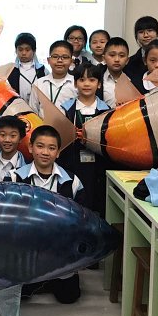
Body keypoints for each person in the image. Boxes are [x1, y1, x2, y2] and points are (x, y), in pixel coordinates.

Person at [9, 125, 84, 304]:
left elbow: (82, 220)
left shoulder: (72, 181)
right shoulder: (13, 179)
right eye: (40, 146)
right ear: (30, 147)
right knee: (21, 296)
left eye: (51, 148)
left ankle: (53, 279)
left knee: (69, 297)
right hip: (27, 252)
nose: (45, 152)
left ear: (58, 152)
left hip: (60, 253)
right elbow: (9, 219)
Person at [59, 64, 110, 218]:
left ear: (99, 84)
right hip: (73, 164)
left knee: (97, 204)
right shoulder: (65, 109)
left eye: (92, 80)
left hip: (98, 168)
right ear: (75, 84)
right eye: (82, 80)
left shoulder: (107, 111)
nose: (86, 84)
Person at [29, 40, 77, 117]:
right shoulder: (38, 84)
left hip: (68, 124)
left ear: (71, 61)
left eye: (65, 57)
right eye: (55, 56)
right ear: (48, 60)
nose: (60, 60)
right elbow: (33, 110)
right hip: (43, 124)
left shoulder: (76, 84)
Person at [7, 32, 47, 103]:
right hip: (17, 107)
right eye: (20, 50)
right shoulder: (10, 70)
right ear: (16, 50)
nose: (24, 53)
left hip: (39, 107)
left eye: (27, 50)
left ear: (34, 50)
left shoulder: (42, 70)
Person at [0, 115, 28, 181]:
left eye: (13, 136)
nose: (7, 140)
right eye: (2, 135)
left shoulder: (26, 167)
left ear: (20, 139)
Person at [124, 16, 158, 83]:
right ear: (136, 36)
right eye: (141, 32)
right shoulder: (130, 63)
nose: (146, 35)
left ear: (157, 33)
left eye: (150, 31)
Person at [101, 37, 130, 108]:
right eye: (112, 55)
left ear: (127, 60)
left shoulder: (133, 80)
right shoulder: (97, 79)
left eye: (121, 56)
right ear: (104, 58)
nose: (117, 59)